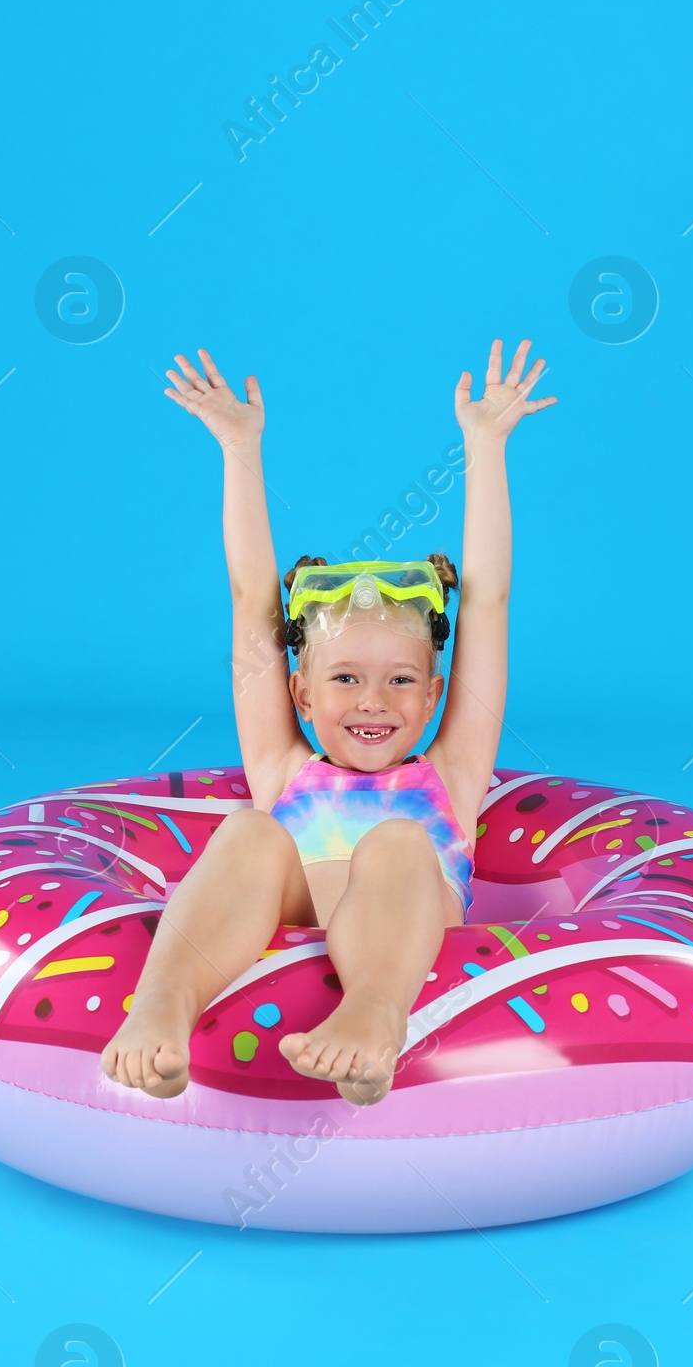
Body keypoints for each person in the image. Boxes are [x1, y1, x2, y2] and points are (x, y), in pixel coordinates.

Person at [100, 340, 554, 1104]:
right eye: (345, 679)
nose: (374, 702)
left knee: (398, 844)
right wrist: (240, 447)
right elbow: (253, 601)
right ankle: (163, 1007)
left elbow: (485, 604)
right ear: (301, 695)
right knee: (249, 830)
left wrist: (485, 446)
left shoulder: (449, 776)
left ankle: (375, 1015)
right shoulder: (283, 767)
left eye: (401, 682)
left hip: (402, 924)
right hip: (287, 897)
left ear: (437, 689)